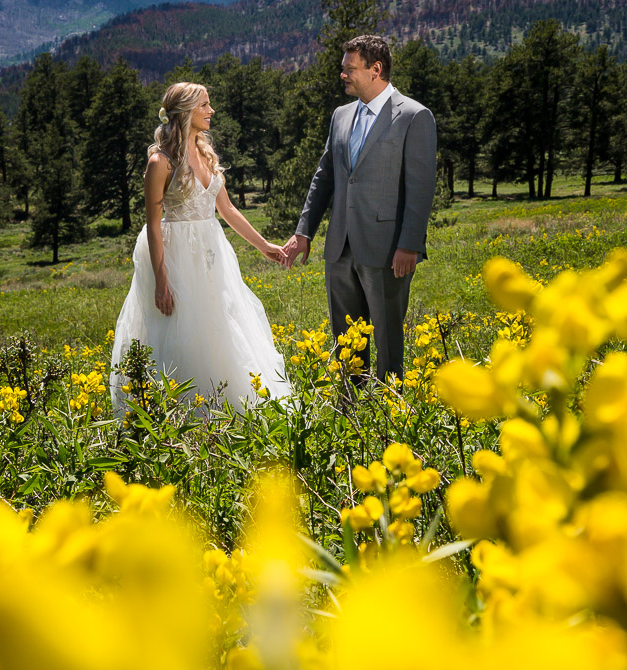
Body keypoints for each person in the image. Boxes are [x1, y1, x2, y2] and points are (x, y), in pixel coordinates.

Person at [111, 82, 291, 409]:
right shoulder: (160, 162)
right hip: (176, 255)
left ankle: (230, 404)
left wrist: (263, 245)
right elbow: (153, 224)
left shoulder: (206, 153)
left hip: (211, 251)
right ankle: (184, 411)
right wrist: (161, 281)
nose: (211, 111)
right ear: (186, 111)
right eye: (204, 105)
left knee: (221, 322)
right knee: (181, 331)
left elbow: (228, 209)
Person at [281, 35, 437, 383]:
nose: (343, 75)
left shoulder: (414, 116)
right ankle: (350, 411)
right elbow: (325, 177)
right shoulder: (340, 115)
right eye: (343, 69)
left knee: (387, 337)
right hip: (340, 247)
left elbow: (421, 187)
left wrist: (409, 245)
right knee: (345, 341)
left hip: (388, 248)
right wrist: (304, 231)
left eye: (349, 69)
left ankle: (387, 413)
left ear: (375, 69)